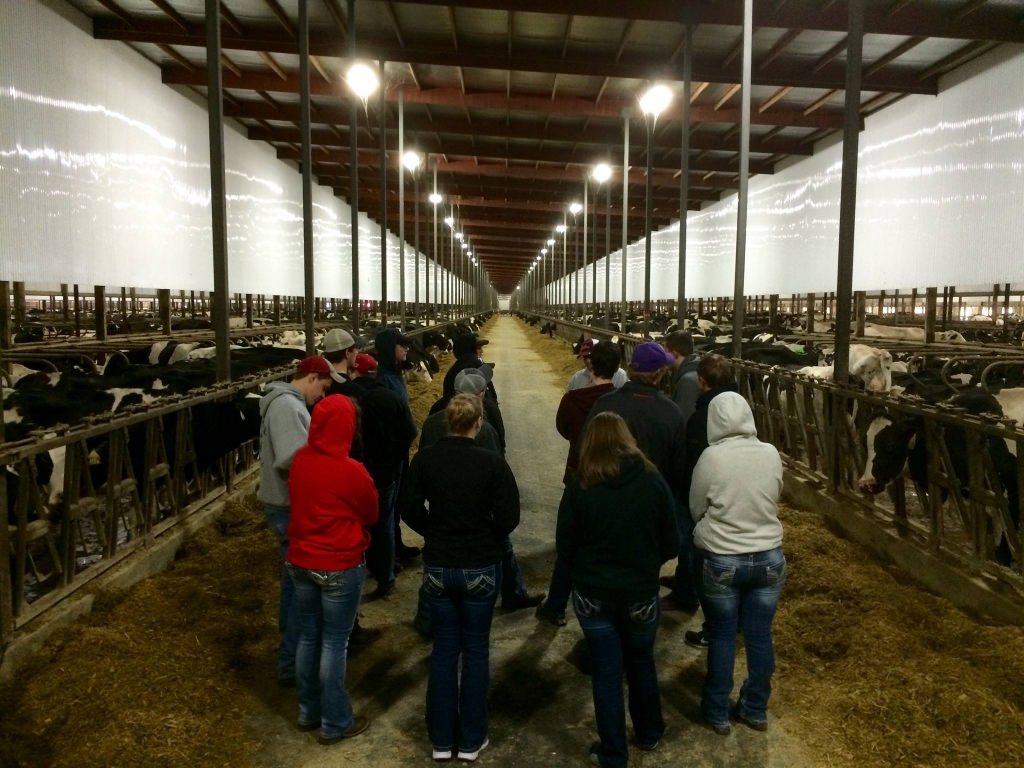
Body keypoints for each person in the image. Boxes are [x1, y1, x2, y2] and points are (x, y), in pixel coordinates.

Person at [402, 394, 521, 762]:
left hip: (439, 566)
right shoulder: (491, 463)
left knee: (443, 651)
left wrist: (432, 531)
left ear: (444, 423)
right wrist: (487, 534)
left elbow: (407, 507)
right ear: (478, 423)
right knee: (475, 651)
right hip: (480, 566)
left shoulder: (426, 459)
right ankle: (470, 741)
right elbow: (509, 516)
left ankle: (441, 741)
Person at [557, 412, 679, 768]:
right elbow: (671, 543)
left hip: (594, 595)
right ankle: (649, 733)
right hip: (640, 592)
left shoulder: (581, 485)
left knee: (607, 671)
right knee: (641, 661)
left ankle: (613, 753)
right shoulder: (652, 481)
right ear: (627, 439)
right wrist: (646, 563)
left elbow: (565, 545)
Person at [689, 391, 785, 735]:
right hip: (770, 560)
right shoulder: (771, 453)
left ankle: (716, 711)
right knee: (760, 636)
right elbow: (775, 495)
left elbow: (696, 507)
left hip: (722, 559)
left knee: (723, 636)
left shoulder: (711, 457)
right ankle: (755, 709)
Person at [287, 394, 378, 744]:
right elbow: (371, 513)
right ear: (347, 427)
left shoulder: (300, 461)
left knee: (309, 635)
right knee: (334, 642)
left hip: (301, 560)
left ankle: (307, 711)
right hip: (338, 563)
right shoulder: (351, 470)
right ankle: (335, 722)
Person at [258, 355, 333, 687]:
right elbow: (292, 459)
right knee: (302, 588)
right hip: (288, 506)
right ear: (313, 377)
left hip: (284, 503)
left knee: (293, 582)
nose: (322, 397)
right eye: (324, 388)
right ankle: (291, 662)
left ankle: (290, 654)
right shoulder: (288, 408)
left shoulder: (286, 404)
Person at [536, 340, 621, 627]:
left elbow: (563, 428)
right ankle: (604, 610)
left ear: (591, 364)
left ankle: (557, 605)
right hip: (613, 477)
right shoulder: (620, 400)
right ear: (618, 366)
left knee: (569, 543)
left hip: (578, 472)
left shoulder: (572, 399)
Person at [677, 354, 740, 647]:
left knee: (709, 568)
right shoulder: (745, 410)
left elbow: (695, 469)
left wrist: (693, 509)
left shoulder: (702, 417)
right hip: (740, 500)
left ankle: (714, 627)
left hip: (711, 503)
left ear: (702, 382)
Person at [343, 353, 417, 599]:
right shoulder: (390, 396)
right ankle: (385, 575)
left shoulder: (347, 399)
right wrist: (395, 456)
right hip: (386, 471)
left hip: (354, 472)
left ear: (355, 372)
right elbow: (410, 431)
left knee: (356, 523)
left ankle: (358, 571)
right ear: (375, 372)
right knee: (384, 522)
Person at [373, 328, 422, 562]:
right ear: (389, 349)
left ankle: (396, 545)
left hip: (401, 449)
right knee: (388, 505)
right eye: (401, 345)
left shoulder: (395, 374)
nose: (406, 348)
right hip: (391, 451)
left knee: (397, 500)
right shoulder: (382, 378)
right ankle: (388, 555)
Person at [663, 330, 700, 426]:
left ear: (674, 354)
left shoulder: (688, 381)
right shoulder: (692, 370)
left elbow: (685, 420)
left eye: (666, 353)